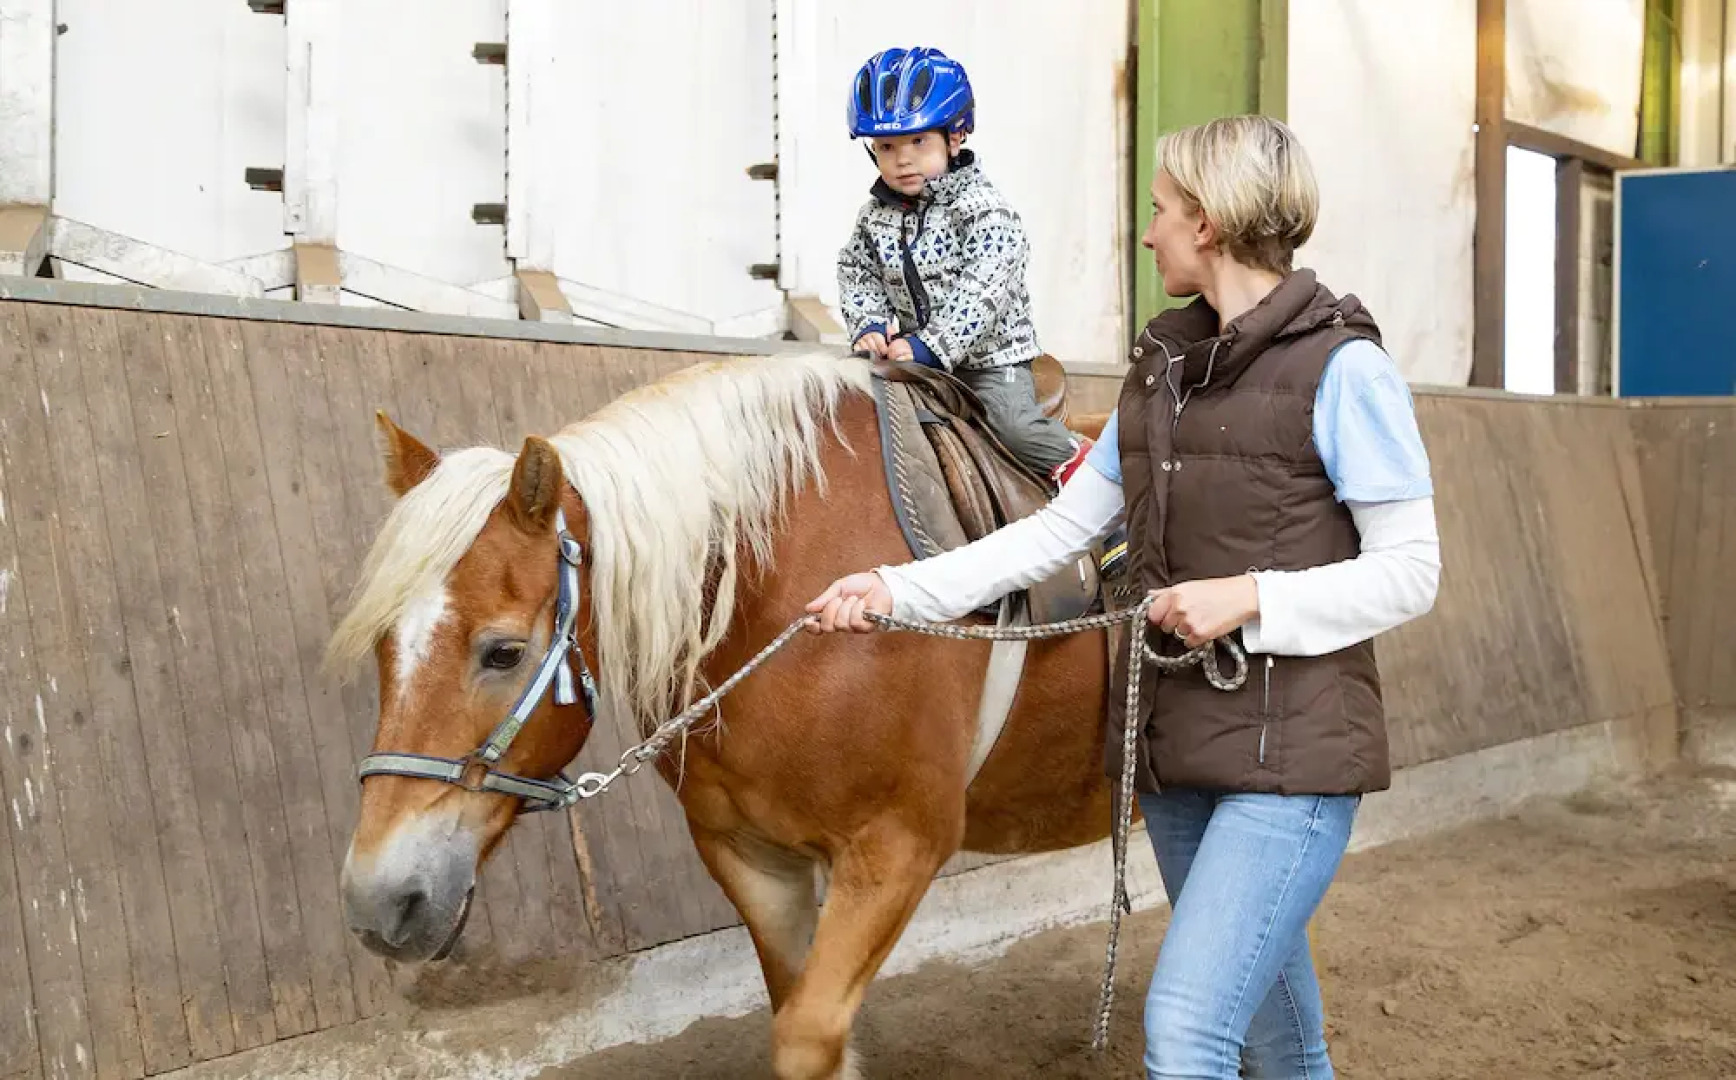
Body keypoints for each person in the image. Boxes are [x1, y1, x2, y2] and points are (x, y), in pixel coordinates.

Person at [807, 114, 1442, 1079]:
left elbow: (1412, 569)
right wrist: (896, 585)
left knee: (1185, 1034)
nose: (1147, 234)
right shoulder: (1162, 371)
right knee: (1281, 1043)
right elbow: (1059, 531)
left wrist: (1248, 598)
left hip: (1296, 754)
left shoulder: (1346, 370)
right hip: (1177, 753)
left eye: (1160, 211)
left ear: (1212, 224)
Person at [837, 45, 1091, 486]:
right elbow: (858, 270)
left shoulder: (982, 209)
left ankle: (1096, 481)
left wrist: (933, 344)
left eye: (918, 141)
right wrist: (870, 324)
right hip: (918, 356)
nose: (902, 158)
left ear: (955, 137)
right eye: (887, 146)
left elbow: (985, 287)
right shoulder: (873, 217)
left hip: (990, 361)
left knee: (1011, 428)